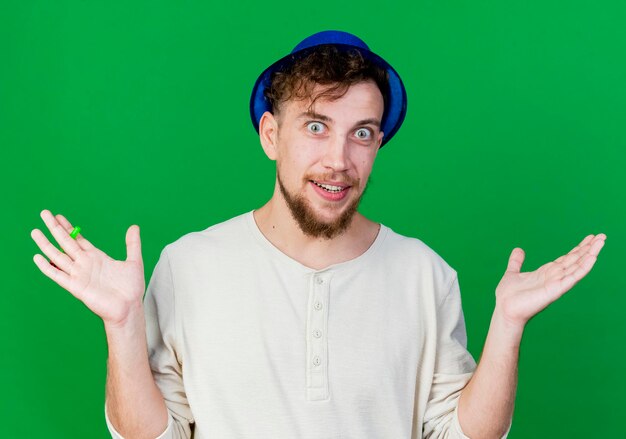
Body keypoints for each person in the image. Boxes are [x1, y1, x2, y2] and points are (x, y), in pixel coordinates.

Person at [30, 30, 606, 439]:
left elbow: (460, 435)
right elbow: (154, 435)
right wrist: (123, 326)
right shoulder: (190, 265)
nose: (339, 158)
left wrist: (507, 326)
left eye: (362, 133)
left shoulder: (425, 273)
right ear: (270, 135)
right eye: (315, 126)